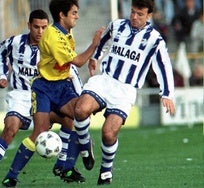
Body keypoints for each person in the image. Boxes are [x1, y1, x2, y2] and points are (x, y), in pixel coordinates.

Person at [1, 0, 104, 186]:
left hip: (63, 87)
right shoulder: (52, 36)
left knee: (78, 116)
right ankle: (12, 176)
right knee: (40, 132)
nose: (77, 16)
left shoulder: (66, 32)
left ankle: (69, 165)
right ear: (61, 15)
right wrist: (94, 45)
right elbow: (78, 61)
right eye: (73, 13)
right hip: (44, 88)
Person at [0, 9, 83, 187]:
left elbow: (72, 70)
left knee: (68, 118)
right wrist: (2, 75)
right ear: (29, 26)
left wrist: (80, 98)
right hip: (21, 95)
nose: (40, 31)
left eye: (44, 27)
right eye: (36, 27)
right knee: (10, 128)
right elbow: (0, 52)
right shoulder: (15, 42)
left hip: (45, 96)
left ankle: (62, 164)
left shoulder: (54, 43)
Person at [73, 0, 176, 185]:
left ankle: (106, 170)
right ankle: (85, 144)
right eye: (133, 12)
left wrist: (167, 93)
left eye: (140, 14)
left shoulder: (155, 39)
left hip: (125, 90)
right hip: (105, 80)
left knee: (108, 133)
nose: (134, 17)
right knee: (80, 110)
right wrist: (96, 57)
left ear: (149, 16)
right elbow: (104, 41)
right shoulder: (117, 25)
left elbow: (164, 66)